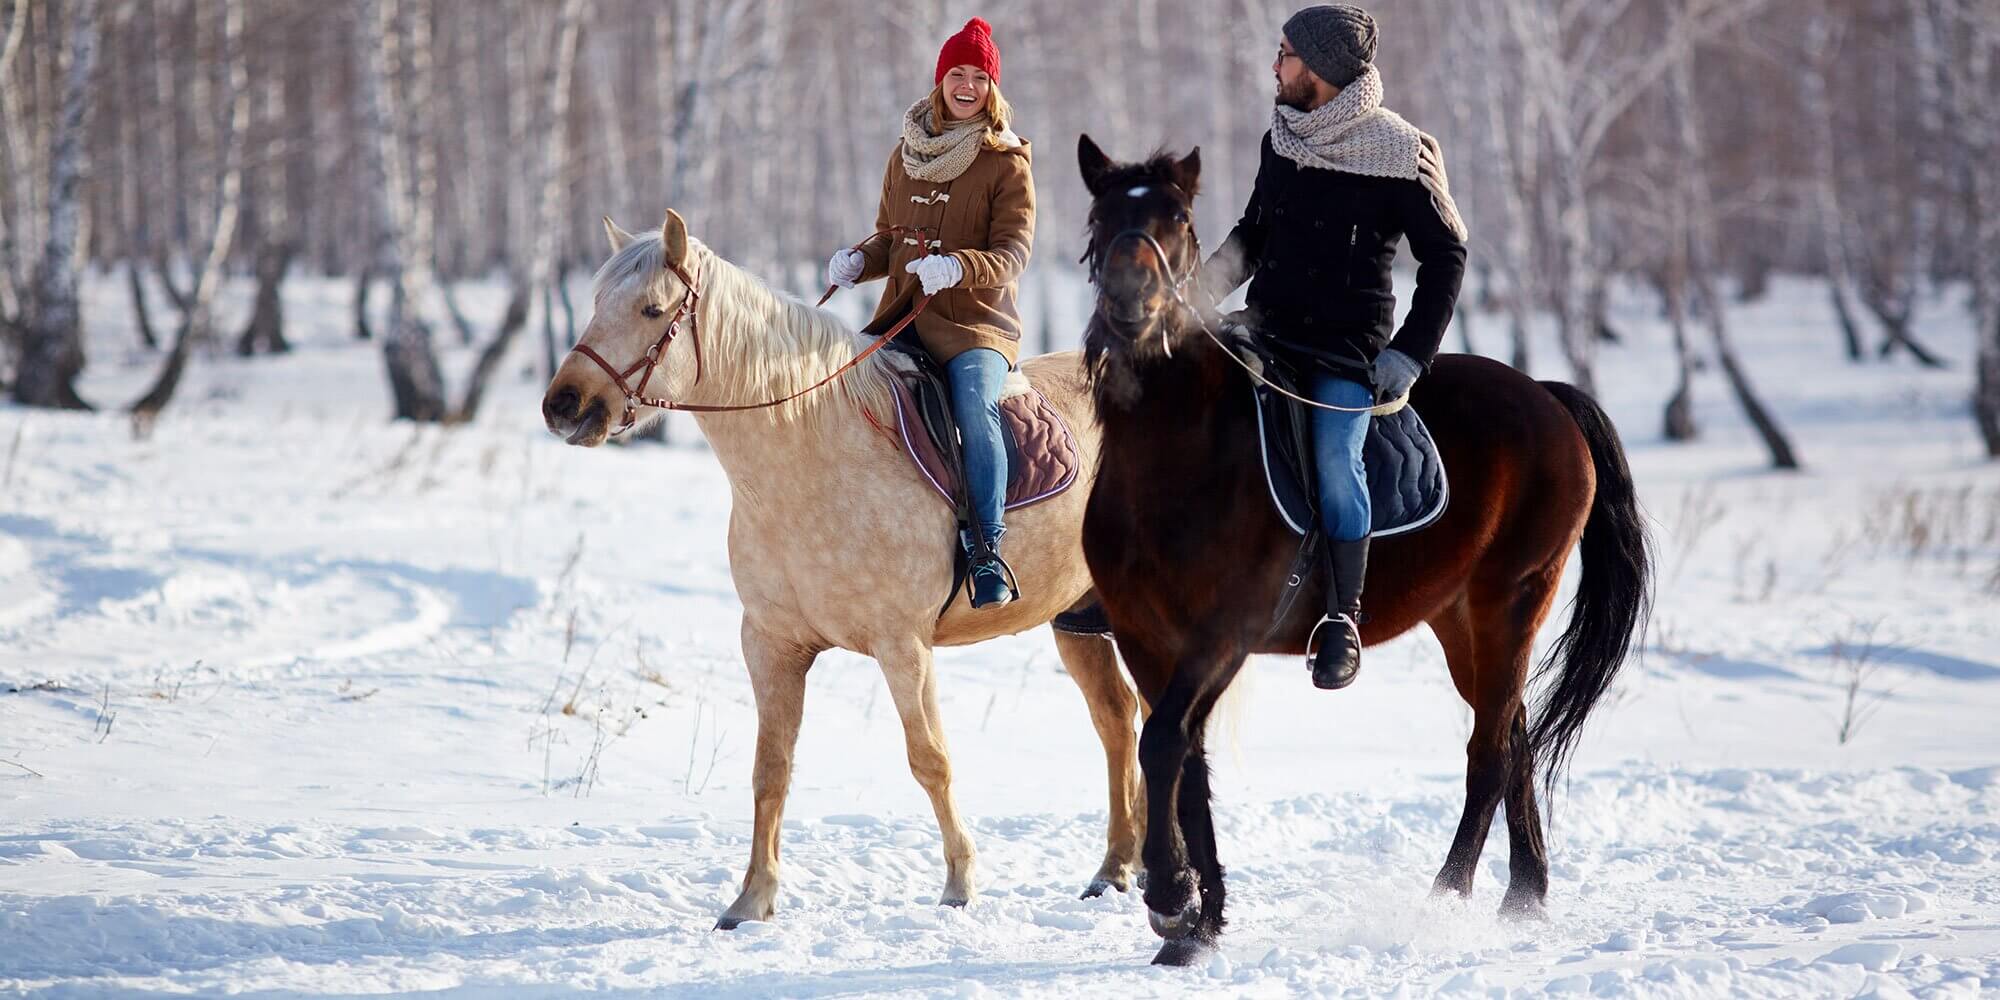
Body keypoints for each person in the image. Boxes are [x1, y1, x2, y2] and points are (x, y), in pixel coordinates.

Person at [1203, 4, 1468, 688]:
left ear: (1320, 68)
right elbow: (1254, 234)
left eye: (1285, 54)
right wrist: (1195, 296)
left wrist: (1411, 353)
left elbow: (1446, 256)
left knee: (1334, 460)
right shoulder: (1283, 136)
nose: (1275, 65)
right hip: (1265, 331)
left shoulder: (1403, 151)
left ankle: (1340, 619)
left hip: (1347, 351)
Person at [827, 17, 1034, 609]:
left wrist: (959, 268)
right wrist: (855, 262)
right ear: (940, 80)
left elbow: (1014, 252)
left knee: (974, 406)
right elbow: (888, 240)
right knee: (842, 396)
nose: (966, 86)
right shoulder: (907, 153)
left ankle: (988, 548)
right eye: (956, 74)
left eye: (978, 77)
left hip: (975, 326)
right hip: (902, 319)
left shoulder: (1006, 161)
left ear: (992, 87)